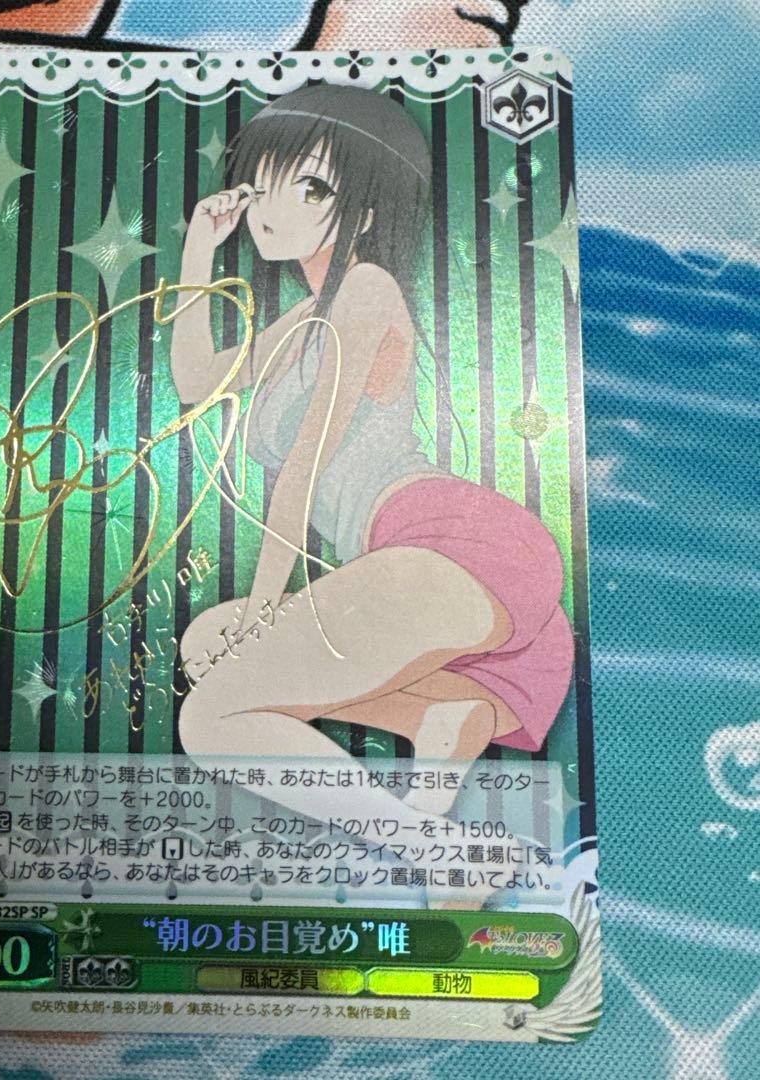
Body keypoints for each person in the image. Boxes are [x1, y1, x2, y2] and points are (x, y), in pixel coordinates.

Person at [169, 83, 574, 908]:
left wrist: (265, 604)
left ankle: (441, 851)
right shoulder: (300, 321)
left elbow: (306, 461)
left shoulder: (366, 290)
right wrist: (198, 252)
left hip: (450, 542)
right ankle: (441, 721)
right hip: (419, 565)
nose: (274, 205)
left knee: (211, 718)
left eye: (311, 187)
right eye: (264, 181)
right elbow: (197, 382)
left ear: (365, 207)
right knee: (205, 644)